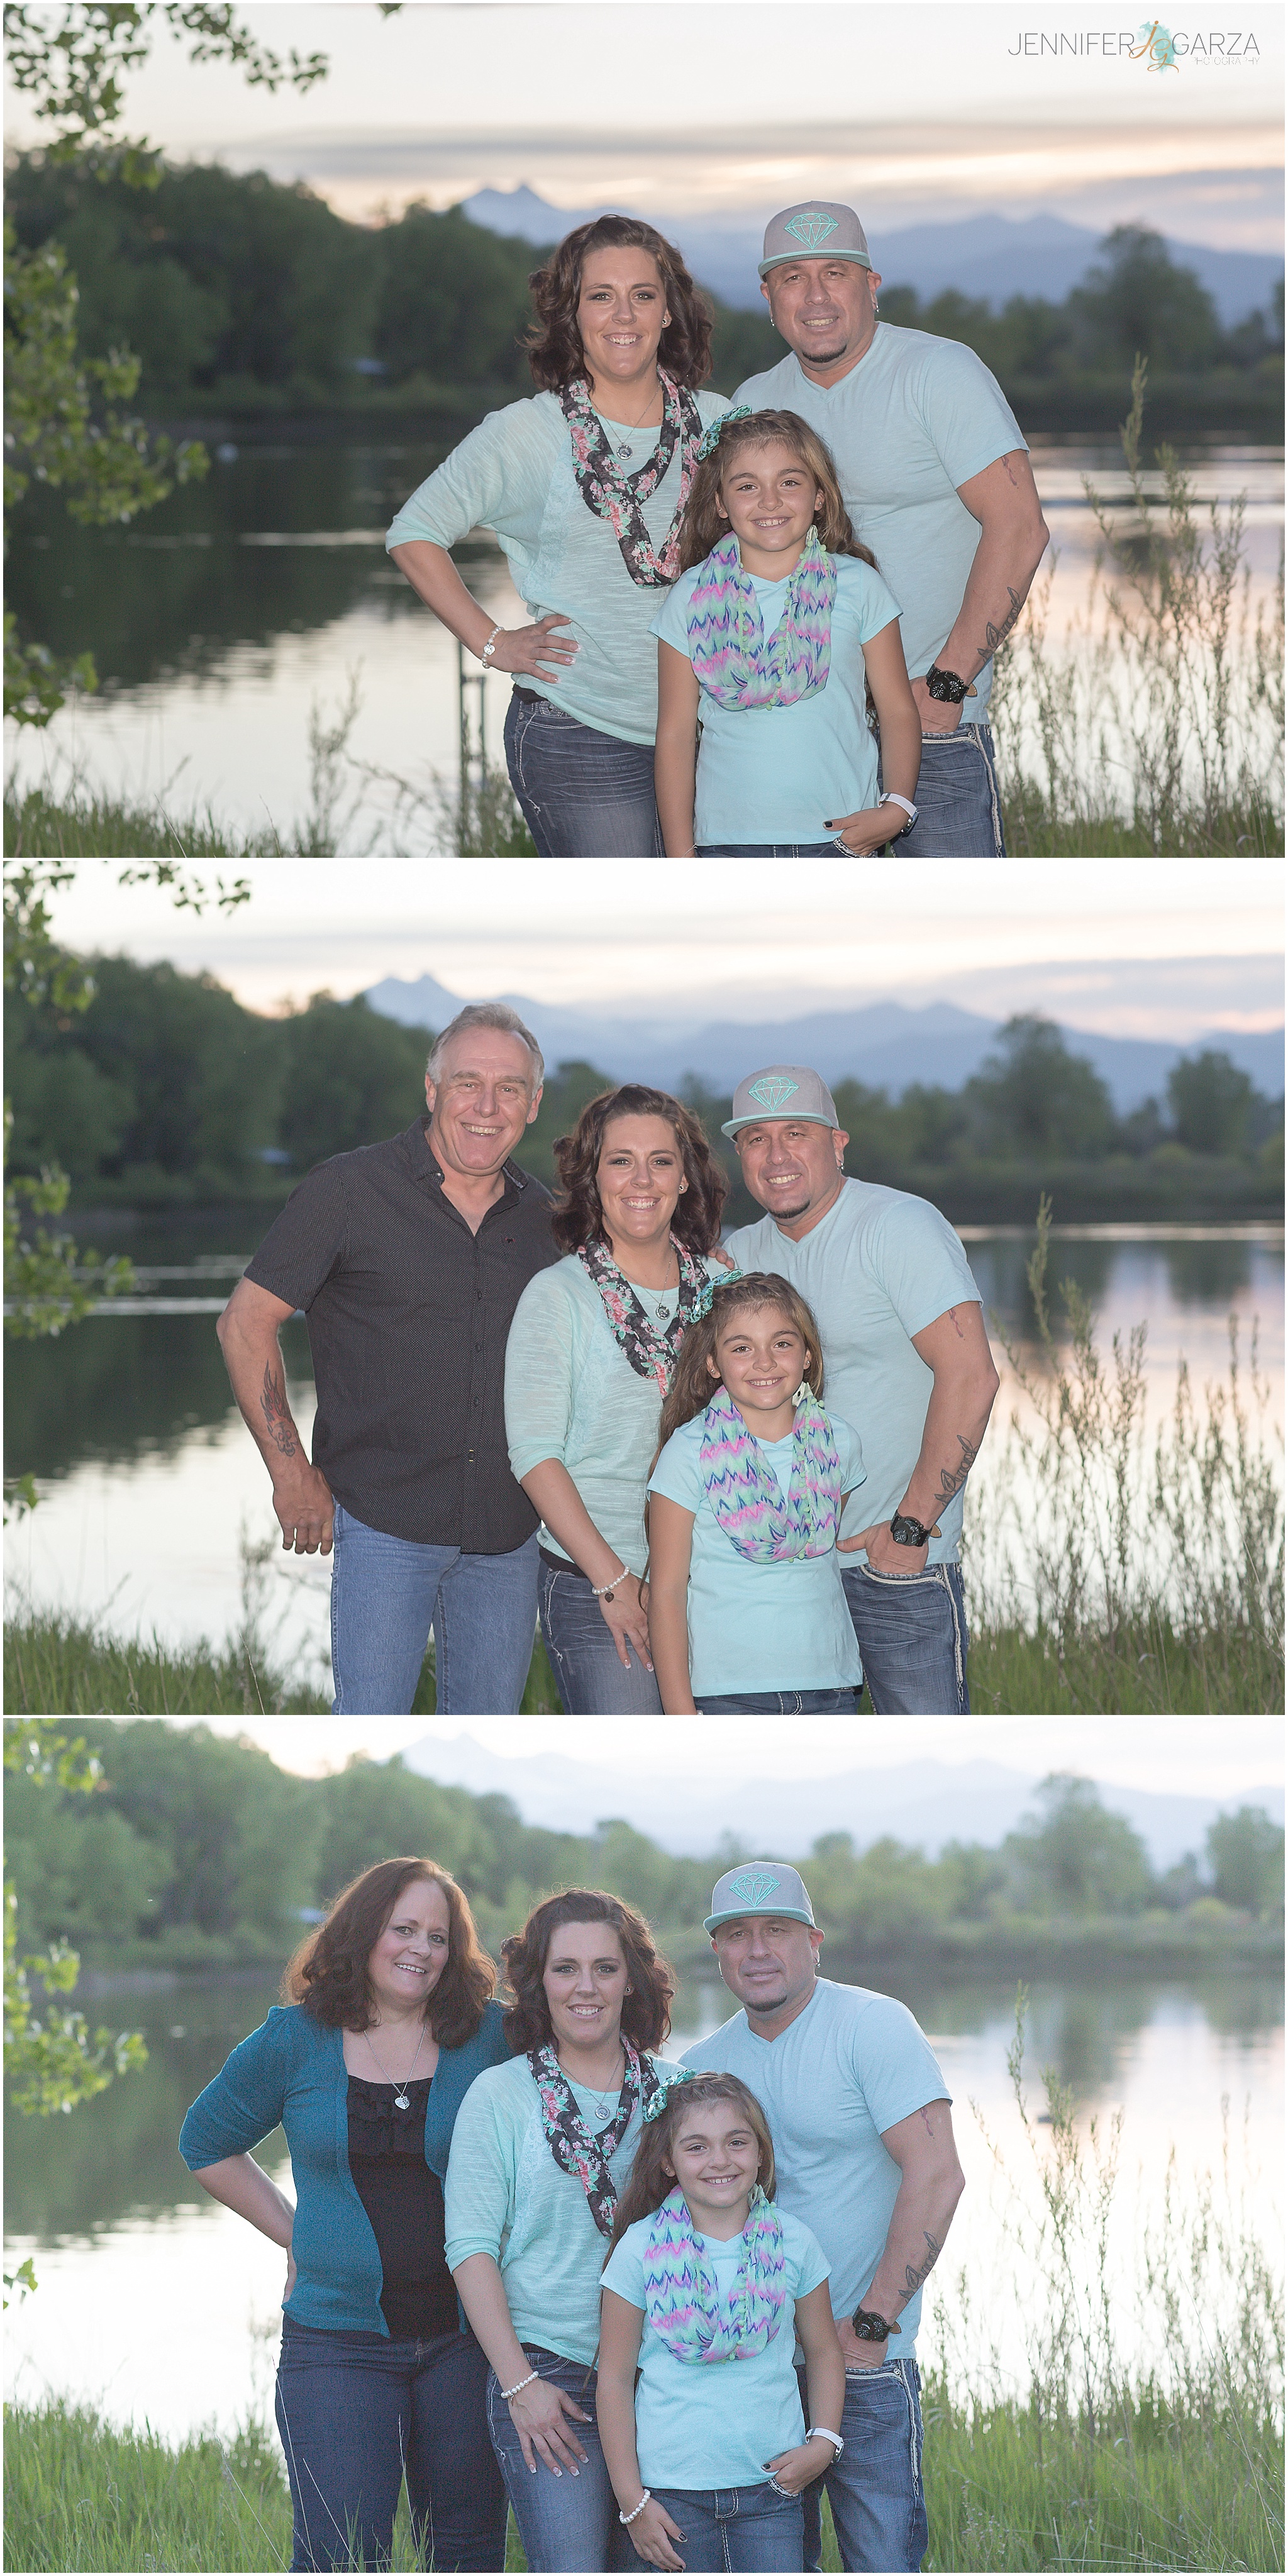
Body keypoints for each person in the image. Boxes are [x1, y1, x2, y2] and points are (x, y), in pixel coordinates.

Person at [216, 1002, 557, 1716]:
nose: (486, 1106)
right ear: (431, 1091)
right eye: (467, 1082)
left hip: (507, 1532)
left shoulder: (547, 1218)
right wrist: (291, 1474)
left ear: (533, 1104)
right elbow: (246, 1324)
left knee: (485, 1742)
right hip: (382, 1524)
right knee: (367, 1731)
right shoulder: (347, 1190)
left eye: (509, 1088)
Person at [177, 1858, 512, 2573]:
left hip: (467, 2339)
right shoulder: (296, 2039)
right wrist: (298, 2232)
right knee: (341, 2555)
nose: (421, 1949)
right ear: (364, 1932)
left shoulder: (490, 2038)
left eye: (438, 1936)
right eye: (404, 1929)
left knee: (467, 2551)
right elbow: (205, 2144)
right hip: (336, 2342)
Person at [387, 215, 730, 857]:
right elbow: (415, 533)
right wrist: (492, 643)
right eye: (600, 296)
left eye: (643, 295)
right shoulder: (528, 434)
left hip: (710, 730)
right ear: (571, 317)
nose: (622, 315)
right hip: (581, 734)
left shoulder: (717, 424)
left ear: (668, 314)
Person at [733, 202, 1051, 857]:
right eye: (792, 277)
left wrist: (945, 687)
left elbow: (1019, 528)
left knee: (950, 939)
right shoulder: (753, 404)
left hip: (932, 726)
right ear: (768, 298)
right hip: (805, 739)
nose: (815, 296)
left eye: (836, 274)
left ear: (870, 286)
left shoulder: (937, 373)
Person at [681, 1864, 965, 2576]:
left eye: (775, 1930)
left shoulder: (872, 2025)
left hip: (865, 2357)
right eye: (736, 1934)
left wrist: (870, 2326)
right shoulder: (701, 2065)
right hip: (755, 2369)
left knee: (881, 2561)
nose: (756, 1950)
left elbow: (936, 2174)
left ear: (813, 1941)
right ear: (715, 1952)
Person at [719, 1065, 1001, 1716]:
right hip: (789, 1576)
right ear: (739, 1155)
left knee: (927, 1766)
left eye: (796, 1133)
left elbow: (971, 1375)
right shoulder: (742, 1251)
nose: (776, 1155)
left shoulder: (897, 1226)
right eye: (756, 1138)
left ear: (837, 1144)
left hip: (894, 1565)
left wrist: (910, 1530)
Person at [444, 1889, 677, 2575]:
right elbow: (470, 2247)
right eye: (564, 1967)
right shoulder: (500, 2095)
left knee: (659, 2563)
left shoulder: (678, 2093)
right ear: (538, 1981)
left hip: (660, 2372)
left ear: (629, 1978)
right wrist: (519, 2384)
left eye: (604, 1968)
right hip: (549, 2371)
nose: (586, 1987)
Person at [504, 1085, 733, 1716]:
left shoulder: (724, 1290)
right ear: (590, 1177)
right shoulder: (558, 1297)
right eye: (619, 1160)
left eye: (660, 1161)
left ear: (685, 1178)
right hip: (599, 1582)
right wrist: (613, 1581)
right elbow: (533, 1454)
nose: (641, 1179)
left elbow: (784, 1409)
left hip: (715, 1578)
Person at [597, 2068, 845, 2575]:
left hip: (773, 2487)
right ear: (667, 2161)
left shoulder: (794, 2243)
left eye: (737, 2142)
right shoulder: (640, 2249)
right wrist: (632, 2501)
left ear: (760, 2152)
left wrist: (823, 2442)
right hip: (670, 2495)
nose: (720, 2161)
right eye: (697, 2147)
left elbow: (823, 2351)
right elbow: (616, 2378)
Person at [652, 408, 920, 857]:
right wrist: (682, 860)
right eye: (747, 486)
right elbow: (676, 736)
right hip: (727, 846)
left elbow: (897, 711)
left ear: (819, 496)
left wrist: (896, 808)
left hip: (839, 840)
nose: (770, 501)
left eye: (790, 482)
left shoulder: (858, 585)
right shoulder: (690, 596)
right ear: (720, 502)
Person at [647, 1273, 866, 1716]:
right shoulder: (688, 1453)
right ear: (713, 1363)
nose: (764, 1362)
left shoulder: (839, 1443)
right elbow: (666, 1593)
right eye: (741, 1348)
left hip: (833, 1685)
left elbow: (822, 1559)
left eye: (782, 1344)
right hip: (729, 1692)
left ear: (807, 1355)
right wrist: (680, 1715)